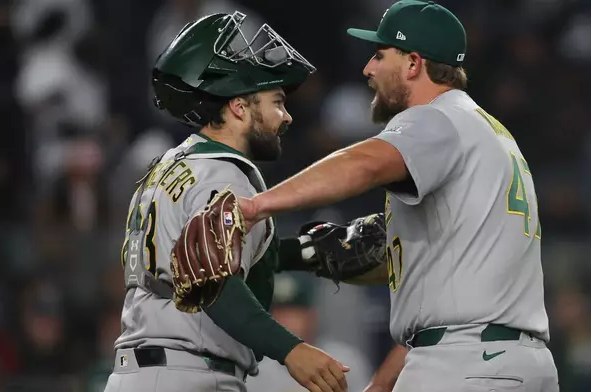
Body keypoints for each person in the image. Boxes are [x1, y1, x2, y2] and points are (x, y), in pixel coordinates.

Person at [225, 1, 560, 391]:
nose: (369, 68)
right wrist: (381, 385)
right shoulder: (492, 133)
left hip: (467, 363)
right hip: (514, 362)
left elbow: (364, 163)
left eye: (380, 55)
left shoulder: (437, 117)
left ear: (414, 64)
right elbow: (436, 304)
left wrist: (256, 205)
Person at [103, 11, 353, 392]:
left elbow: (198, 259)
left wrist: (303, 253)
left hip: (141, 372)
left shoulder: (169, 165)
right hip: (190, 372)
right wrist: (293, 350)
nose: (286, 117)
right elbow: (212, 279)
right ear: (238, 107)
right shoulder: (223, 172)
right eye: (277, 101)